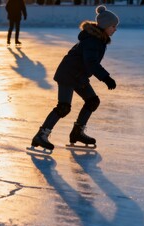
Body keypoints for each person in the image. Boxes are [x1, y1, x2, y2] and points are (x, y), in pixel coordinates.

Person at [31, 5, 119, 151]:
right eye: (113, 26)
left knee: (92, 101)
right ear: (105, 26)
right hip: (68, 74)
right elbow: (91, 63)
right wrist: (106, 78)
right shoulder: (93, 40)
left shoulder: (99, 39)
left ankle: (77, 133)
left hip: (79, 75)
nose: (115, 29)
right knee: (64, 107)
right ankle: (41, 135)